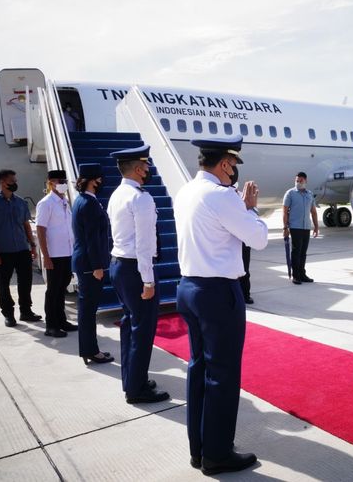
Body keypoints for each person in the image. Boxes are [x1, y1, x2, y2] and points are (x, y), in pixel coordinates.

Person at [175, 135, 268, 475]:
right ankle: (217, 453)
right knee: (223, 375)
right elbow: (257, 239)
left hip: (189, 288)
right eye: (233, 166)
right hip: (217, 293)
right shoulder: (222, 196)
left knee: (199, 368)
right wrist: (250, 207)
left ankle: (199, 448)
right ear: (225, 163)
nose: (234, 174)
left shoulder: (186, 191)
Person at [107, 146, 169, 404]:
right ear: (136, 168)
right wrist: (148, 280)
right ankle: (137, 390)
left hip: (118, 265)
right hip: (135, 269)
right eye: (145, 166)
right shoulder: (141, 198)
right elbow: (144, 244)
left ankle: (132, 379)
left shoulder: (117, 193)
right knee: (142, 331)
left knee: (130, 327)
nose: (148, 170)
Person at [0, 169, 42, 327]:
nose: (15, 184)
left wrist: (33, 246)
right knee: (4, 284)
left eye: (16, 181)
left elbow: (26, 225)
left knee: (25, 282)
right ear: (2, 182)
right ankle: (8, 314)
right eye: (12, 181)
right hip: (3, 252)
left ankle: (26, 311)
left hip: (22, 249)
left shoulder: (21, 202)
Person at [72, 163, 114, 365]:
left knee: (87, 309)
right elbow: (92, 238)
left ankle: (88, 349)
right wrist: (97, 266)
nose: (101, 182)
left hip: (85, 261)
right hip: (90, 264)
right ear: (91, 180)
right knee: (88, 310)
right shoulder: (88, 203)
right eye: (99, 178)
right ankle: (91, 351)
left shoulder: (84, 200)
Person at [35, 169, 77, 338]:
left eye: (64, 180)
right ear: (51, 182)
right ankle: (51, 325)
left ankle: (61, 320)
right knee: (53, 291)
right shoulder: (46, 203)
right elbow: (40, 230)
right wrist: (46, 256)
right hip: (54, 255)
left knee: (62, 289)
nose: (63, 183)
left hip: (66, 252)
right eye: (60, 181)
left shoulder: (64, 202)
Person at [283, 171, 318, 284]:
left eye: (300, 181)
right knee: (296, 251)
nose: (298, 183)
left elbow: (313, 212)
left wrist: (316, 227)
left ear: (305, 181)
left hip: (306, 227)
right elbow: (284, 211)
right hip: (295, 226)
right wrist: (285, 227)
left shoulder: (309, 194)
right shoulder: (290, 193)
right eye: (296, 181)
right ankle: (296, 276)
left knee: (303, 252)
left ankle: (302, 274)